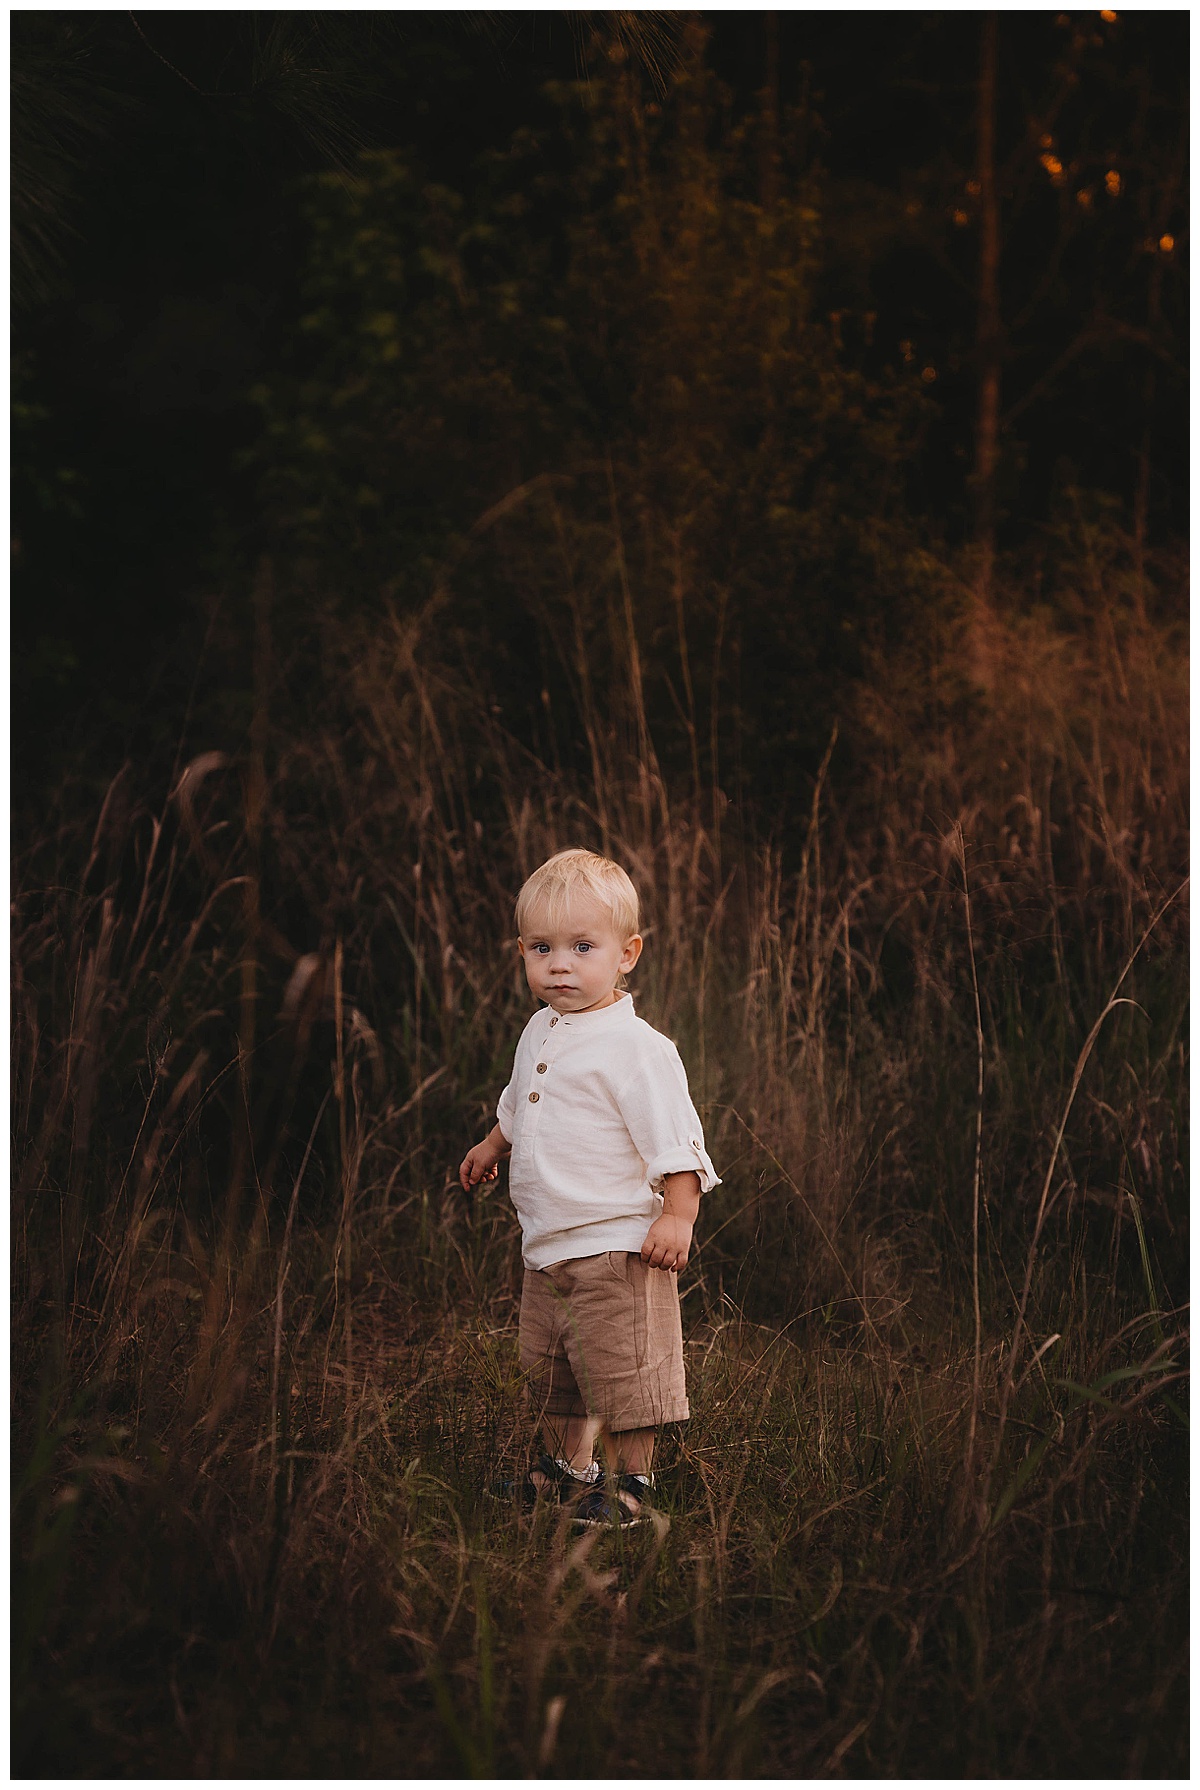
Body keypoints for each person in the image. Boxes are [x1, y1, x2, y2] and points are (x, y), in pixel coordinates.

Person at [459, 847, 720, 1527]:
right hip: (547, 1250)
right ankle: (565, 1469)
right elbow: (521, 1102)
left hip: (617, 1248)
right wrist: (492, 1145)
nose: (560, 964)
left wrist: (677, 1216)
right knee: (556, 1377)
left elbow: (678, 1143)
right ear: (522, 952)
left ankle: (632, 1486)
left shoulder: (637, 1049)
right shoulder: (540, 1029)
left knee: (627, 1377)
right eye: (542, 948)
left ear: (626, 953)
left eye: (582, 946)